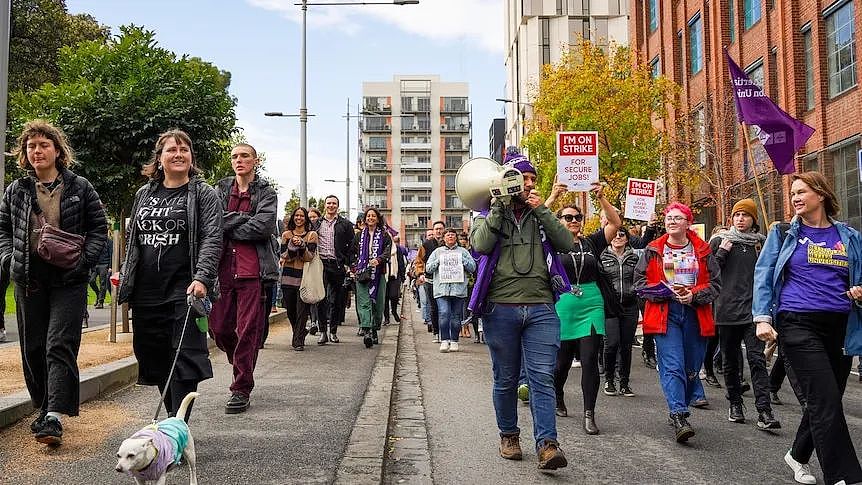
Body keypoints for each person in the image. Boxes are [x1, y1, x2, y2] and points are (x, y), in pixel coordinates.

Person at [0, 120, 107, 445]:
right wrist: (9, 259)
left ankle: (54, 416)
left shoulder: (79, 187)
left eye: (43, 145)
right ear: (24, 153)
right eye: (31, 146)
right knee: (32, 348)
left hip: (68, 280)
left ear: (58, 151)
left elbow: (99, 230)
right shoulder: (16, 190)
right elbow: (2, 230)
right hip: (29, 280)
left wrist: (83, 262)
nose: (37, 151)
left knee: (59, 344)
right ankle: (44, 407)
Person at [753, 172, 862, 485]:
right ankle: (843, 476)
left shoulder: (849, 236)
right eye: (792, 194)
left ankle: (798, 454)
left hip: (841, 325)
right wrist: (762, 317)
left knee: (826, 399)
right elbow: (763, 274)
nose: (795, 198)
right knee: (825, 398)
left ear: (821, 194)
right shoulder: (784, 233)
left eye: (801, 191)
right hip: (797, 323)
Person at [470, 148, 574, 470]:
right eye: (521, 179)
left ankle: (547, 444)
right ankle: (509, 435)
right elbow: (480, 245)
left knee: (542, 377)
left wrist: (543, 210)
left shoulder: (540, 214)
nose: (527, 184)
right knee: (506, 378)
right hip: (501, 309)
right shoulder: (487, 214)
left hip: (541, 308)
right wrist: (500, 205)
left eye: (531, 179)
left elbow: (566, 243)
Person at [117, 129, 221, 423]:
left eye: (184, 149)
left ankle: (177, 424)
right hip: (147, 292)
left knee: (184, 357)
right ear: (159, 158)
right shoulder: (144, 194)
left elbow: (212, 237)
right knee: (156, 357)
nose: (178, 154)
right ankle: (174, 420)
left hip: (185, 290)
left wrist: (202, 277)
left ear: (191, 157)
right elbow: (133, 240)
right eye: (171, 150)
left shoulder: (203, 194)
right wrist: (126, 275)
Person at [633, 202, 720, 443]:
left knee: (691, 367)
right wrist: (663, 291)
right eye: (669, 218)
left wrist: (694, 295)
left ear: (688, 223)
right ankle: (679, 414)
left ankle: (682, 402)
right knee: (672, 364)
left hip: (695, 313)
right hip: (665, 313)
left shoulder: (702, 250)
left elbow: (716, 285)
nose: (671, 221)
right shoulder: (653, 250)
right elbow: (639, 284)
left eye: (677, 218)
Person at [545, 181, 622, 436]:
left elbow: (615, 223)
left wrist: (602, 197)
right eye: (568, 217)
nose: (574, 220)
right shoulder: (552, 245)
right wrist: (554, 195)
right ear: (558, 221)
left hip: (591, 302)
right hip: (563, 303)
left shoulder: (591, 243)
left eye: (577, 217)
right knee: (562, 362)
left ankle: (590, 413)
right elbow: (536, 223)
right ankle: (557, 395)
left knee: (589, 359)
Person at [210, 143, 278, 413]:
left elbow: (263, 227)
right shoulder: (220, 189)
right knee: (221, 329)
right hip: (223, 268)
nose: (239, 160)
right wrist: (243, 218)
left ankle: (241, 388)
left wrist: (230, 222)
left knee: (248, 331)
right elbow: (213, 222)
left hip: (253, 271)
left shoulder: (267, 192)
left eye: (244, 156)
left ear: (255, 160)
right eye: (235, 156)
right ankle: (241, 361)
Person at [709, 199, 780, 430]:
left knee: (757, 360)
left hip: (754, 311)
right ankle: (735, 403)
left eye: (745, 215)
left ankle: (764, 410)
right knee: (730, 362)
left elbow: (770, 274)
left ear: (753, 220)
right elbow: (708, 273)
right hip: (727, 310)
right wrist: (721, 253)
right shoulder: (720, 241)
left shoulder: (761, 244)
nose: (740, 219)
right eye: (737, 215)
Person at [599, 228, 641, 398]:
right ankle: (609, 379)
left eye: (621, 234)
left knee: (626, 345)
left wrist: (637, 290)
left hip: (630, 305)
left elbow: (640, 278)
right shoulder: (602, 257)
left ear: (627, 238)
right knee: (612, 343)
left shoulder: (634, 257)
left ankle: (624, 382)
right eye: (614, 234)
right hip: (610, 306)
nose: (617, 237)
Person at [425, 228, 476, 352]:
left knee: (456, 316)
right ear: (444, 238)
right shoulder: (437, 252)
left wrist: (461, 259)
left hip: (458, 290)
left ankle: (454, 340)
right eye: (448, 235)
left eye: (453, 235)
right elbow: (428, 268)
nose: (450, 237)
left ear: (456, 237)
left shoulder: (463, 252)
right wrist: (439, 260)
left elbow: (473, 267)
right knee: (443, 313)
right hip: (441, 290)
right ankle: (444, 340)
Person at [315, 195, 354, 345]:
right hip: (321, 264)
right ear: (325, 205)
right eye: (329, 203)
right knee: (320, 298)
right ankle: (323, 331)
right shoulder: (316, 223)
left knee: (337, 300)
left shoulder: (345, 224)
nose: (331, 206)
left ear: (338, 206)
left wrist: (348, 263)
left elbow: (352, 245)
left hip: (338, 265)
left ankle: (333, 331)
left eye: (334, 203)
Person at [352, 207, 391, 348]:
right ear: (365, 219)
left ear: (378, 218)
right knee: (364, 302)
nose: (370, 218)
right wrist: (354, 267)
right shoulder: (358, 236)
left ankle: (374, 329)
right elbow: (352, 253)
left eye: (373, 216)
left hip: (379, 273)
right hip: (362, 273)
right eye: (368, 216)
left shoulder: (385, 236)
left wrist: (379, 259)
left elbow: (387, 252)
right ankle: (367, 330)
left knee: (378, 304)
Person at [280, 207, 318, 351]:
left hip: (305, 277)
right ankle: (300, 331)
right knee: (290, 310)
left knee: (302, 310)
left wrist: (302, 245)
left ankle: (298, 340)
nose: (299, 218)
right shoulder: (286, 235)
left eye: (302, 216)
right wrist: (292, 245)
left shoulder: (312, 235)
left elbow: (309, 256)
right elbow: (284, 256)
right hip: (288, 277)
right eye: (296, 215)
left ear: (306, 218)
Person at [415, 221, 444, 341]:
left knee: (445, 307)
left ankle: (446, 333)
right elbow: (419, 261)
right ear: (433, 230)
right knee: (433, 306)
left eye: (441, 229)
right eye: (436, 229)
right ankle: (436, 332)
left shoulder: (448, 243)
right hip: (429, 279)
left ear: (444, 230)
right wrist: (420, 274)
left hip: (445, 280)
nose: (438, 231)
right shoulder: (426, 245)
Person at [382, 234, 407, 325]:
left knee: (394, 296)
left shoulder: (397, 249)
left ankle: (394, 311)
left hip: (395, 275)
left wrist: (403, 276)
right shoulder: (381, 248)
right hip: (384, 275)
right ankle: (386, 318)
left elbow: (401, 262)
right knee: (384, 297)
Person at [89, 222, 112, 309]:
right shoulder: (95, 241)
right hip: (95, 265)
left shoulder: (109, 242)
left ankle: (101, 301)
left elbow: (111, 254)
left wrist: (110, 266)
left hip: (104, 265)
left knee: (103, 283)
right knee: (91, 281)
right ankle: (98, 294)